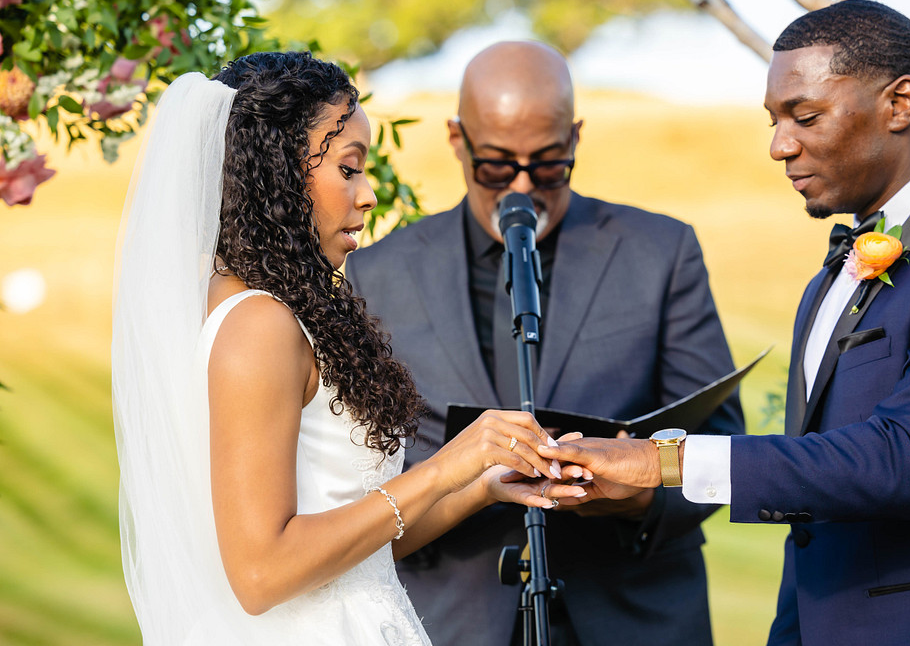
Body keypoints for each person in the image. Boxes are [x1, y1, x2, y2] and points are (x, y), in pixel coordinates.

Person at [541, 0, 910, 645]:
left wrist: (663, 461)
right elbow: (819, 506)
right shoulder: (836, 271)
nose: (778, 145)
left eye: (805, 115)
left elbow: (908, 461)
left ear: (901, 102)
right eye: (773, 119)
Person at [112, 51, 583, 646]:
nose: (367, 196)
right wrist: (441, 469)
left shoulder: (270, 310)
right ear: (278, 172)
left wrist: (477, 485)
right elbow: (262, 573)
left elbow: (360, 540)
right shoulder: (259, 325)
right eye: (349, 169)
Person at [345, 40, 744, 646]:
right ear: (458, 140)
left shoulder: (661, 251)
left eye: (551, 163)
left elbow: (723, 442)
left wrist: (634, 493)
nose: (525, 186)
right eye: (498, 166)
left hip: (631, 614)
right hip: (447, 620)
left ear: (576, 137)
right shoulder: (376, 273)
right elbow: (351, 469)